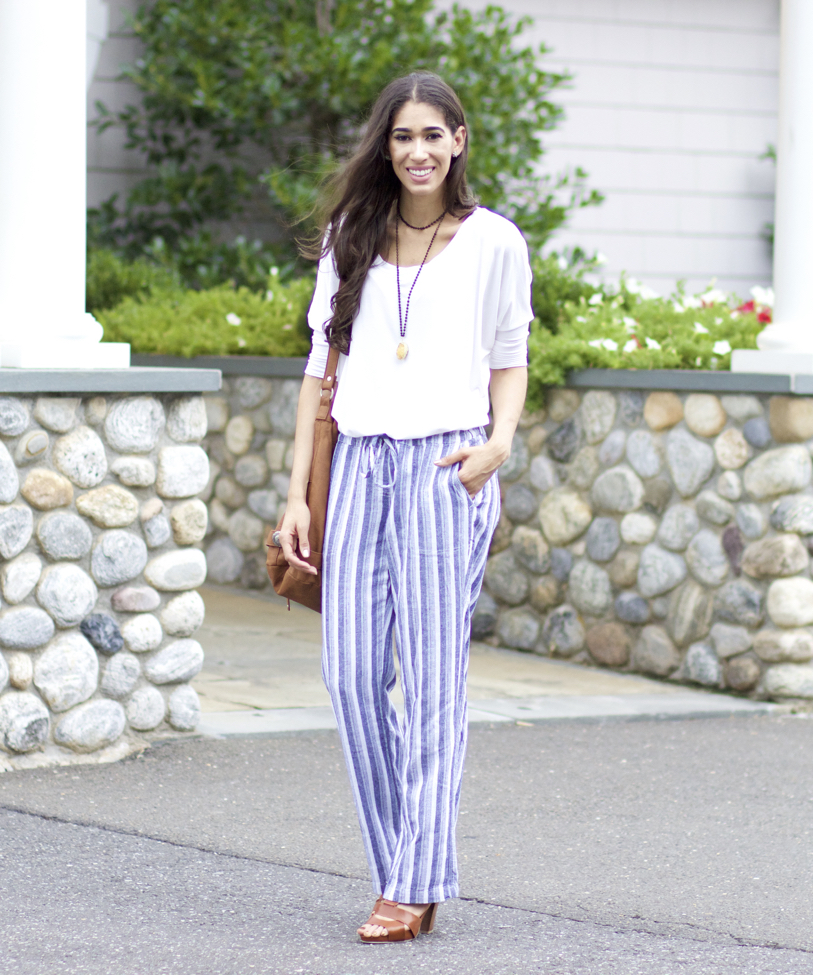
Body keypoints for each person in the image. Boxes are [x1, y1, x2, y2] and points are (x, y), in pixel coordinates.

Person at [278, 71, 532, 943]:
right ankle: (405, 865)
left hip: (444, 466)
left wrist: (498, 442)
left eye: (433, 134)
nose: (417, 151)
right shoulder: (352, 232)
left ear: (459, 140)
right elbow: (321, 368)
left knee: (429, 684)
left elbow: (510, 353)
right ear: (384, 148)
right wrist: (296, 494)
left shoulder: (493, 241)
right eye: (401, 137)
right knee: (349, 674)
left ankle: (410, 882)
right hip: (356, 468)